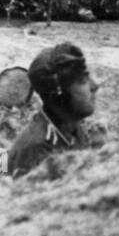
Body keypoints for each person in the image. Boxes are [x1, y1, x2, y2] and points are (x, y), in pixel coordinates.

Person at [7, 42, 99, 178]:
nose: (95, 86)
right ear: (59, 95)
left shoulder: (72, 125)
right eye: (82, 81)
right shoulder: (38, 150)